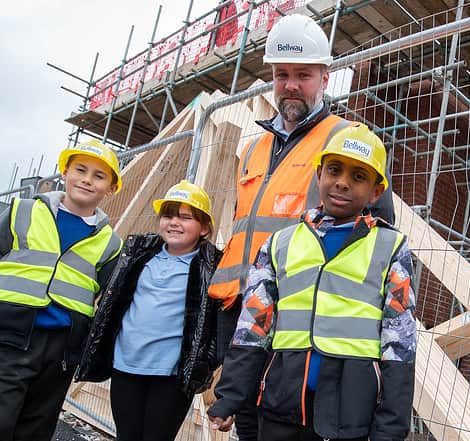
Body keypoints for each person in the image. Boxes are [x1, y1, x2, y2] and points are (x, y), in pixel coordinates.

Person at [208, 14, 395, 440]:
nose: (291, 85)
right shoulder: (255, 148)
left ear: (324, 78)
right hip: (245, 315)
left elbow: (376, 238)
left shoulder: (346, 141)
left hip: (301, 323)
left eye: (303, 75)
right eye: (282, 74)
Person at [207, 123, 416, 441]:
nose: (342, 183)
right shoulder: (281, 243)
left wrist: (391, 426)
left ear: (376, 191)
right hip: (282, 401)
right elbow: (253, 325)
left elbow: (400, 341)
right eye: (334, 170)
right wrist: (231, 396)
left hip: (351, 411)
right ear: (319, 175)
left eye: (358, 176)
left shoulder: (391, 247)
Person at [0, 140, 124, 441]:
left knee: (35, 431)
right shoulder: (23, 211)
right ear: (65, 172)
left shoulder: (111, 242)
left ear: (111, 188)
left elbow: (102, 291)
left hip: (61, 347)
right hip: (9, 334)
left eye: (99, 176)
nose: (87, 179)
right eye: (81, 170)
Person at [75, 180, 221, 441]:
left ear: (205, 228)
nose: (174, 222)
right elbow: (114, 303)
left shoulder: (212, 267)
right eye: (168, 215)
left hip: (171, 375)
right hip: (126, 366)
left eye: (186, 217)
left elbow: (218, 323)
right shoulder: (138, 255)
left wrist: (206, 362)